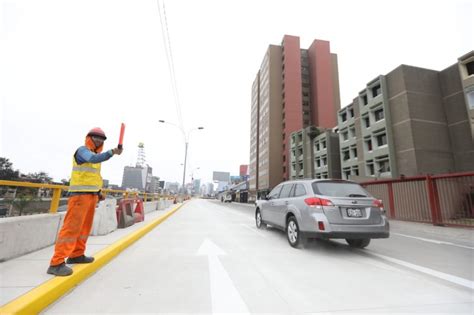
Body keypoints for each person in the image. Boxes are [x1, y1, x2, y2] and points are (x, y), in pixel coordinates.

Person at [47, 127, 123, 276]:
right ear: (89, 138)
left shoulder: (97, 155)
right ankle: (56, 263)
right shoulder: (82, 151)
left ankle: (76, 254)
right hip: (79, 197)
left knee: (84, 228)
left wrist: (98, 191)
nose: (99, 141)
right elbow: (92, 159)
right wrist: (112, 152)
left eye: (101, 139)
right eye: (96, 138)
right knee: (71, 228)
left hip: (91, 196)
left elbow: (92, 177)